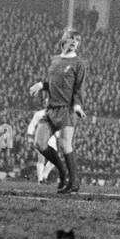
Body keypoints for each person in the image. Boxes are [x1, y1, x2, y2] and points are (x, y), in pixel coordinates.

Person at [27, 29, 86, 194]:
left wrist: (77, 106)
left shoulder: (79, 63)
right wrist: (41, 85)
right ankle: (62, 172)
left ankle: (73, 183)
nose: (74, 42)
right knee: (39, 143)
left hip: (67, 109)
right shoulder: (55, 60)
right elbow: (53, 83)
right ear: (64, 41)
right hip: (51, 108)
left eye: (77, 40)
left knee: (65, 143)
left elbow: (78, 87)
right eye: (71, 38)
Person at [26, 107, 57, 182]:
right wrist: (30, 136)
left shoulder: (56, 114)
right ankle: (40, 180)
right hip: (40, 136)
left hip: (52, 138)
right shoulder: (39, 113)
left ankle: (44, 176)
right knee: (41, 157)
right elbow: (32, 124)